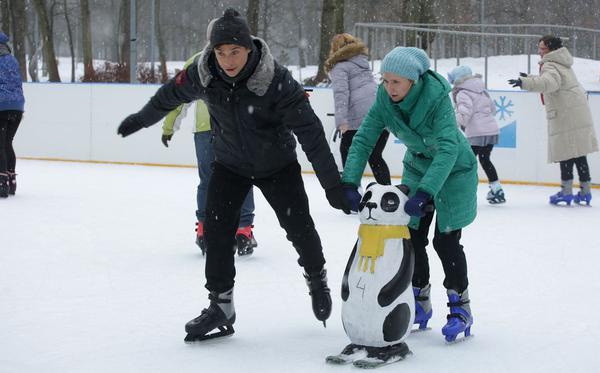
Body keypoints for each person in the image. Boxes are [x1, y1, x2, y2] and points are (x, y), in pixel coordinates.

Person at [117, 9, 351, 341]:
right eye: (220, 52)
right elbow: (169, 95)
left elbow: (311, 134)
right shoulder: (204, 74)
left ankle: (316, 278)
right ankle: (221, 304)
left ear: (249, 49)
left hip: (277, 166)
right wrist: (141, 119)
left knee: (299, 228)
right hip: (230, 165)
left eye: (235, 52)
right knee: (217, 232)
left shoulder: (277, 80)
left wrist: (333, 187)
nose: (227, 60)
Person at [341, 47, 478, 343]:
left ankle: (460, 307)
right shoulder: (384, 100)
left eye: (396, 83)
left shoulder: (437, 99)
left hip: (454, 170)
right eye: (385, 81)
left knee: (446, 240)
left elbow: (447, 149)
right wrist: (349, 182)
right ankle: (420, 299)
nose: (389, 88)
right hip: (418, 166)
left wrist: (427, 192)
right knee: (413, 238)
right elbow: (364, 138)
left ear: (414, 81)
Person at [162, 52, 258, 256]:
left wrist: (169, 127)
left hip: (206, 130)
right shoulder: (243, 58)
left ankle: (205, 230)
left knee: (208, 180)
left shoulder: (197, 61)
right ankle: (243, 230)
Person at [509, 35, 599, 205]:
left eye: (542, 48)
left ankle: (566, 192)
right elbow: (554, 79)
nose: (539, 51)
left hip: (565, 115)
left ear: (550, 49)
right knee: (579, 153)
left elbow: (549, 83)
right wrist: (529, 77)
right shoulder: (561, 62)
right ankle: (585, 192)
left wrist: (525, 83)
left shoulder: (549, 64)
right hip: (576, 111)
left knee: (565, 152)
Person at [325, 33, 391, 185]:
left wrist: (342, 121)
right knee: (375, 156)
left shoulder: (339, 67)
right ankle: (389, 193)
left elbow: (341, 94)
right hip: (380, 111)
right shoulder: (362, 62)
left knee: (348, 154)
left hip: (359, 118)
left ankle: (351, 192)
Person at [448, 65, 506, 204]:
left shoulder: (463, 92)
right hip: (491, 131)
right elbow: (492, 109)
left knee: (465, 163)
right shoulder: (482, 90)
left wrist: (453, 125)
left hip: (476, 133)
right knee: (485, 160)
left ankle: (462, 192)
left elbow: (464, 113)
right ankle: (497, 189)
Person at [0, 31, 24, 198]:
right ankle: (11, 181)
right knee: (7, 142)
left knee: (0, 144)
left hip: (1, 105)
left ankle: (1, 184)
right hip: (17, 106)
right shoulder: (12, 59)